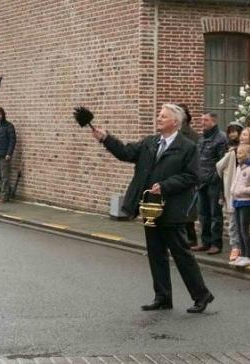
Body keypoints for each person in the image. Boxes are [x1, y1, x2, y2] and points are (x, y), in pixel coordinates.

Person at [90, 103, 214, 313]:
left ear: (175, 122)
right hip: (150, 208)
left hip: (172, 209)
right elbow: (126, 152)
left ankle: (201, 295)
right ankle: (163, 297)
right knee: (156, 254)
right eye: (159, 116)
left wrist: (165, 186)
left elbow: (192, 176)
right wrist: (106, 138)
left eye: (163, 117)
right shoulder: (150, 143)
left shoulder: (188, 147)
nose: (158, 119)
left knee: (181, 254)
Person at [192, 112, 228, 255]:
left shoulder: (221, 139)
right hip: (201, 181)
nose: (203, 122)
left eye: (205, 120)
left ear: (213, 121)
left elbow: (222, 162)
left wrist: (214, 178)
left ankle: (216, 244)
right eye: (202, 120)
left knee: (215, 215)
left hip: (214, 183)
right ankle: (205, 242)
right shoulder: (202, 138)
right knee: (203, 214)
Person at [216, 121, 246, 262]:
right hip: (233, 190)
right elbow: (219, 166)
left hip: (245, 191)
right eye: (230, 131)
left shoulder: (246, 151)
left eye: (236, 131)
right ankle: (235, 247)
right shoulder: (230, 151)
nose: (233, 134)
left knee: (242, 223)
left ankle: (243, 248)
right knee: (233, 220)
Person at [179, 104, 200, 246]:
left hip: (187, 177)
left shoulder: (193, 137)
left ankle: (191, 238)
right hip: (174, 177)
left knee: (187, 208)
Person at [230, 144, 250, 267]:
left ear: (248, 154)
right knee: (239, 230)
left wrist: (242, 190)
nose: (238, 155)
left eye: (241, 153)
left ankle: (249, 256)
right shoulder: (239, 167)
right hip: (237, 201)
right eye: (238, 152)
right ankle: (243, 255)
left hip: (247, 202)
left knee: (244, 230)